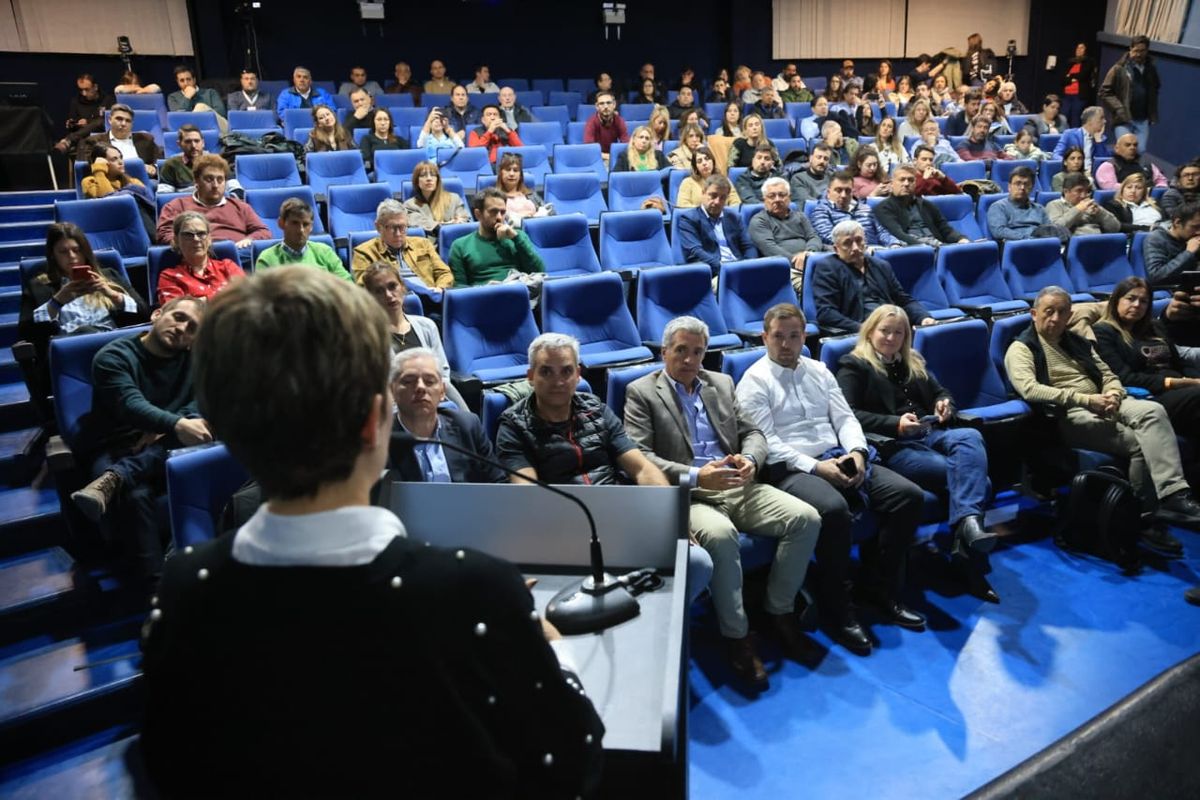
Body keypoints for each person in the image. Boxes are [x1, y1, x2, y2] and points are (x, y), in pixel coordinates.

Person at [140, 269, 604, 798]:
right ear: (375, 420)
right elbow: (569, 762)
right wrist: (551, 647)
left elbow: (172, 767)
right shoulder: (474, 590)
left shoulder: (182, 589)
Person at [623, 317, 823, 682]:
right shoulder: (641, 391)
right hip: (692, 492)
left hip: (737, 483)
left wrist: (750, 459)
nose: (688, 359)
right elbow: (639, 457)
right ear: (665, 351)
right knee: (719, 536)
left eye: (697, 352)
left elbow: (754, 433)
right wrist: (700, 475)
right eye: (680, 350)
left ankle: (779, 611)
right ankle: (738, 635)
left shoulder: (721, 383)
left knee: (806, 518)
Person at [737, 303, 928, 644]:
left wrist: (856, 451)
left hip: (838, 454)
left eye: (794, 336)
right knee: (833, 509)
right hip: (791, 468)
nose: (786, 344)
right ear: (764, 337)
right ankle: (837, 606)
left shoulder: (819, 370)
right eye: (778, 337)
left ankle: (879, 588)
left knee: (907, 496)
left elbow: (845, 419)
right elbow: (767, 443)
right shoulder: (754, 381)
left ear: (804, 336)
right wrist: (817, 468)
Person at [1005, 286, 1200, 530]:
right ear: (1034, 314)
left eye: (1062, 312)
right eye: (1048, 312)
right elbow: (1030, 389)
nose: (1055, 318)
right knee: (1142, 444)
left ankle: (1173, 495)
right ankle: (1142, 518)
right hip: (1070, 414)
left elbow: (1108, 373)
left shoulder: (1077, 341)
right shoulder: (1022, 348)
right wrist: (1087, 401)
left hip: (1105, 400)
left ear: (1069, 316)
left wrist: (1114, 394)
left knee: (1153, 411)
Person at [837, 305, 998, 561]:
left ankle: (965, 531)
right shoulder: (854, 365)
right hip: (894, 445)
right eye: (885, 331)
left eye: (898, 333)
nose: (891, 338)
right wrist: (895, 423)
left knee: (970, 436)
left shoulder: (912, 360)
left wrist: (944, 405)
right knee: (981, 482)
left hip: (929, 432)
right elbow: (849, 413)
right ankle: (968, 540)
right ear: (870, 332)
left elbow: (940, 392)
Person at [70, 295, 209, 583]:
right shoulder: (113, 356)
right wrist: (175, 422)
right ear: (157, 314)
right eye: (179, 317)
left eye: (193, 327)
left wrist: (168, 426)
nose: (182, 328)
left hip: (168, 440)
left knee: (213, 427)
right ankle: (158, 589)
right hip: (116, 445)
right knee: (136, 495)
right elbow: (129, 405)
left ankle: (117, 478)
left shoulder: (196, 361)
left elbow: (200, 403)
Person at [19, 223, 148, 404]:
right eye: (63, 252)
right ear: (53, 256)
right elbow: (27, 332)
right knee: (85, 333)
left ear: (85, 251)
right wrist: (58, 300)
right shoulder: (39, 286)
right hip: (70, 354)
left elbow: (144, 314)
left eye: (76, 250)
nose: (72, 257)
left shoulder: (109, 276)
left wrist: (111, 294)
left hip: (114, 344)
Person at [1094, 277, 1200, 463]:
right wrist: (1179, 383)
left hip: (1181, 390)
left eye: (1143, 301)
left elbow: (1178, 365)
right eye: (1131, 298)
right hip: (1150, 397)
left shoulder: (1155, 327)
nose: (1137, 305)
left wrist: (1191, 379)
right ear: (1116, 300)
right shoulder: (1104, 332)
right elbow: (1124, 377)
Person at [387, 347, 500, 482]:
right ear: (392, 390)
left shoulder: (467, 427)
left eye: (429, 381)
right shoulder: (380, 439)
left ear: (442, 392)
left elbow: (499, 483)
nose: (420, 388)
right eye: (408, 381)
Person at [811, 220, 933, 332]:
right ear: (836, 249)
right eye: (847, 243)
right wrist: (863, 328)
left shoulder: (881, 265)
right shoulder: (827, 268)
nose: (855, 248)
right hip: (859, 330)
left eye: (859, 241)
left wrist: (923, 317)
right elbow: (826, 313)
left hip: (891, 325)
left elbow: (903, 300)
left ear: (865, 242)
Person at [157, 154, 271, 249]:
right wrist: (192, 244)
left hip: (238, 253)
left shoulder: (241, 207)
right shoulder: (177, 206)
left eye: (220, 180)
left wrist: (248, 240)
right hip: (196, 254)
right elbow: (164, 234)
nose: (215, 185)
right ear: (196, 181)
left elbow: (263, 231)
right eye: (209, 179)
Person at [449, 188, 545, 287]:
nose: (499, 217)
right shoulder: (460, 246)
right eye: (493, 212)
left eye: (503, 212)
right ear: (478, 214)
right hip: (483, 296)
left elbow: (538, 271)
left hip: (518, 293)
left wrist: (516, 238)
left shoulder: (517, 237)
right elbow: (460, 287)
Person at [352, 200, 454, 289]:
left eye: (402, 227)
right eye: (392, 227)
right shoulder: (364, 253)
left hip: (430, 301)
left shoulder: (424, 244)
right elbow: (363, 287)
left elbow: (444, 273)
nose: (398, 234)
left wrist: (440, 288)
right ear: (379, 227)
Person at [749, 177, 824, 293]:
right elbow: (770, 249)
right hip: (784, 268)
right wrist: (798, 261)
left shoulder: (800, 216)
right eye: (772, 196)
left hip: (811, 261)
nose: (777, 199)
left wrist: (809, 254)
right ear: (764, 199)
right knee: (816, 286)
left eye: (782, 195)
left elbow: (813, 237)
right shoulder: (759, 221)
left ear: (789, 197)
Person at [157, 212, 245, 302]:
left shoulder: (227, 266)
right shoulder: (169, 276)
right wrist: (224, 297)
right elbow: (176, 310)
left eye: (201, 234)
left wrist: (200, 301)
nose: (196, 239)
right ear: (176, 240)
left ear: (209, 239)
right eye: (188, 234)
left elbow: (247, 296)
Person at [254, 198, 350, 279]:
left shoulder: (325, 252)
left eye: (306, 224)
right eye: (295, 223)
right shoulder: (267, 259)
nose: (301, 230)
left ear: (311, 227)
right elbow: (263, 298)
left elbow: (347, 286)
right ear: (281, 223)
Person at [874, 165, 969, 246]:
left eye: (910, 180)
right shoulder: (883, 208)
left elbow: (945, 229)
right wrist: (924, 247)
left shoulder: (927, 205)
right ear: (892, 184)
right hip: (913, 251)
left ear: (915, 183)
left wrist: (961, 239)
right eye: (902, 180)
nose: (906, 184)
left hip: (939, 246)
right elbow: (899, 234)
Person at [675, 175, 756, 271]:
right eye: (713, 196)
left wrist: (749, 266)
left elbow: (748, 246)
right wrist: (725, 269)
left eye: (723, 198)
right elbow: (695, 252)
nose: (717, 202)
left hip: (739, 268)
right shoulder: (689, 219)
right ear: (703, 193)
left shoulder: (734, 217)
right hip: (712, 272)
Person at [1099, 35, 1160, 153]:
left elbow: (1155, 90)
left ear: (1147, 51)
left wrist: (1152, 113)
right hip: (1124, 119)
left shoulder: (1151, 70)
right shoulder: (1118, 68)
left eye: (1142, 51)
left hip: (1143, 119)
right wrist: (1119, 108)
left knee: (1140, 150)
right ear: (1130, 49)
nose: (1138, 54)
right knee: (1125, 151)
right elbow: (1104, 92)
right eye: (1136, 50)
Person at [82, 144, 157, 239]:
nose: (121, 162)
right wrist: (99, 172)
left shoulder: (133, 182)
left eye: (121, 157)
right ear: (102, 163)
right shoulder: (89, 182)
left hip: (139, 227)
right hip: (111, 228)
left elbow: (150, 203)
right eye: (114, 159)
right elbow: (108, 200)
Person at [810, 170, 900, 249]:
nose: (843, 195)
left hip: (876, 252)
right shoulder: (821, 211)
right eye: (838, 190)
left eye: (847, 191)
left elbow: (881, 232)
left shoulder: (865, 208)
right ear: (829, 193)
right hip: (848, 255)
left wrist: (894, 244)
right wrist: (861, 248)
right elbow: (829, 237)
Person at [82, 103, 162, 178]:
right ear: (109, 120)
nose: (123, 123)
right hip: (112, 182)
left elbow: (160, 161)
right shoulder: (95, 141)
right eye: (119, 119)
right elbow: (89, 167)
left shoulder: (145, 139)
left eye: (128, 121)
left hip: (142, 181)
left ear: (132, 123)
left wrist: (153, 168)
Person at [1144, 202, 1200, 287]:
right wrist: (1188, 253)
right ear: (1177, 222)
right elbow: (1157, 276)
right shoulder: (1156, 239)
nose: (1198, 232)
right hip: (1172, 290)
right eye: (1195, 227)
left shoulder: (1194, 238)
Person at [1046, 173, 1122, 236]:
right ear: (1066, 191)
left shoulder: (1091, 205)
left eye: (1087, 191)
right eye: (1079, 191)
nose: (1084, 195)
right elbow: (1056, 229)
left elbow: (1116, 228)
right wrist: (1078, 209)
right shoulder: (1055, 205)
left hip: (1099, 242)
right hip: (1073, 245)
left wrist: (1100, 213)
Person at [54, 74, 113, 154]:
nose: (84, 93)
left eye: (87, 89)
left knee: (100, 121)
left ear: (95, 87)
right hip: (82, 136)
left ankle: (68, 140)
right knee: (83, 141)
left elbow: (108, 122)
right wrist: (73, 124)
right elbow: (73, 126)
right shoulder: (76, 102)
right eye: (81, 90)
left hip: (102, 136)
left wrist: (88, 122)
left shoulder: (107, 100)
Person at [403, 161, 469, 233]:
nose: (429, 179)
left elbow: (464, 220)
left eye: (433, 175)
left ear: (437, 179)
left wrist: (460, 221)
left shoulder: (454, 199)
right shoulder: (409, 205)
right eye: (423, 175)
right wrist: (447, 225)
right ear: (416, 181)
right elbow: (420, 223)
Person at [1095, 133, 1168, 190]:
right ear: (1117, 148)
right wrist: (1138, 189)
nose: (1132, 148)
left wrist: (1158, 188)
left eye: (1135, 145)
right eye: (1128, 145)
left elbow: (1162, 181)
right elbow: (1110, 187)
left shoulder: (1147, 165)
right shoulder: (1108, 166)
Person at [676, 146, 742, 208]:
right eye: (699, 161)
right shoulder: (687, 182)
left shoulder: (724, 181)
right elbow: (682, 205)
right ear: (695, 167)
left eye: (707, 159)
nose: (704, 163)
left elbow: (736, 203)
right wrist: (705, 210)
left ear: (713, 161)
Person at [158, 125, 217, 194]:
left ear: (203, 143)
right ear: (179, 144)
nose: (193, 146)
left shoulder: (216, 162)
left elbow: (230, 190)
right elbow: (164, 195)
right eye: (188, 142)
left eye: (197, 141)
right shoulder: (171, 165)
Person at [495, 152, 549, 226]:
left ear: (520, 175)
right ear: (501, 173)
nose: (511, 174)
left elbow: (550, 213)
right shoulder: (494, 198)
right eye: (508, 170)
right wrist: (534, 217)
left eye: (515, 170)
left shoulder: (531, 195)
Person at [1052, 106, 1110, 175]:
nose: (1104, 121)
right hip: (1073, 174)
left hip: (1093, 176)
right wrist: (1069, 164)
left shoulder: (1101, 139)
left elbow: (1103, 163)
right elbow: (1056, 155)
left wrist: (1098, 141)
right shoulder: (1069, 134)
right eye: (1101, 118)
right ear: (1090, 121)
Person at [582, 91, 628, 162]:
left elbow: (626, 143)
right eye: (602, 103)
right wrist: (609, 156)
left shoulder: (619, 121)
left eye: (608, 103)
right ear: (597, 106)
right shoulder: (591, 122)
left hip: (613, 157)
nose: (606, 106)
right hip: (597, 159)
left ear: (614, 104)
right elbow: (589, 149)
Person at [359, 108, 407, 172]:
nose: (383, 123)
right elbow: (366, 161)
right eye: (379, 119)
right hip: (376, 172)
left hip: (397, 171)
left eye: (386, 119)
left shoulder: (400, 140)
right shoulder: (367, 139)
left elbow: (407, 159)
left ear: (390, 122)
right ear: (373, 121)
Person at [1061, 43, 1097, 127]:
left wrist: (1070, 76)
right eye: (1077, 48)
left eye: (1082, 48)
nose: (1079, 50)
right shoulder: (1070, 62)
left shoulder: (1088, 62)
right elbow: (1062, 79)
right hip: (1067, 95)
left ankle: (1075, 138)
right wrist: (1072, 79)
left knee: (1075, 117)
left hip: (1079, 96)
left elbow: (1082, 75)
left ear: (1086, 50)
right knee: (1063, 116)